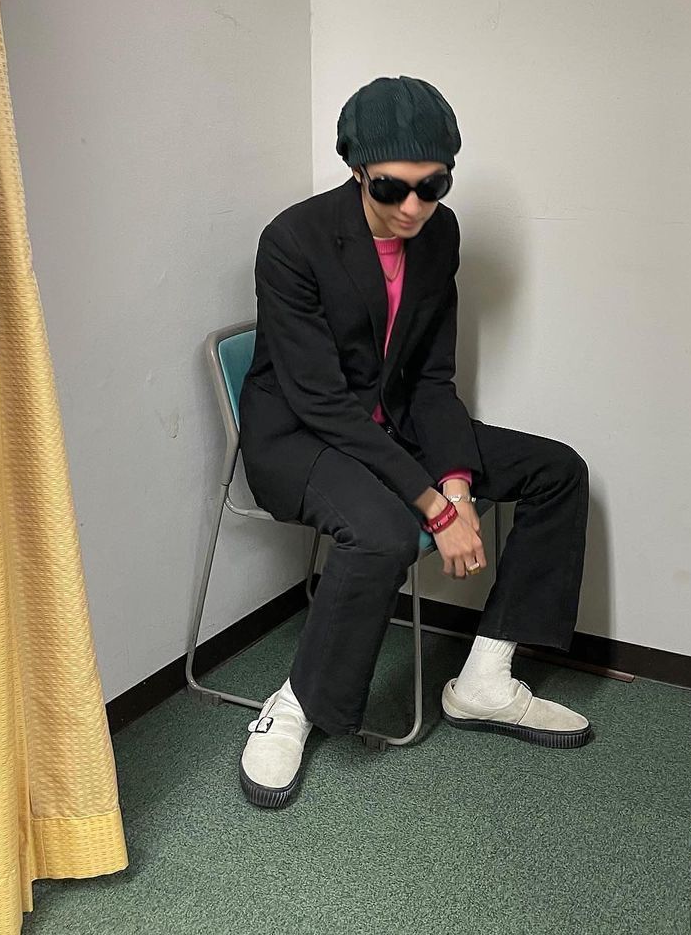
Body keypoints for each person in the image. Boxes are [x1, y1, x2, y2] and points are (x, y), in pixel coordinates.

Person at [237, 75, 591, 808]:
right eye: (391, 189)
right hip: (301, 436)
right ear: (356, 169)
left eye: (432, 187)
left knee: (558, 470)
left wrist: (456, 479)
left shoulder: (439, 234)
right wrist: (435, 506)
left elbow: (431, 376)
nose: (412, 208)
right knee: (383, 533)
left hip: (391, 424)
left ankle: (485, 679)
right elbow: (321, 401)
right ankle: (296, 704)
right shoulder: (293, 240)